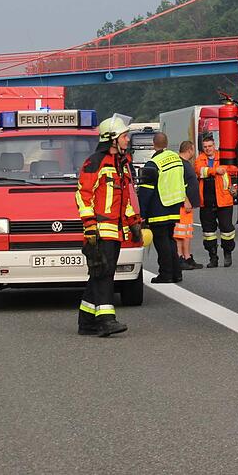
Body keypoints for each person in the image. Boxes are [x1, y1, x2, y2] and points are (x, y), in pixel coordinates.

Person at [75, 115, 139, 337]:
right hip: (101, 230)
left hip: (116, 230)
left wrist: (133, 222)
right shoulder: (95, 162)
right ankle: (106, 321)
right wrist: (90, 226)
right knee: (104, 274)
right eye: (124, 136)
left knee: (99, 274)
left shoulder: (121, 163)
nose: (127, 139)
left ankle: (86, 322)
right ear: (112, 139)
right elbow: (83, 195)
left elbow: (125, 199)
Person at [139, 133, 197, 284]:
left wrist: (142, 213)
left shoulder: (153, 164)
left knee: (161, 243)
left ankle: (165, 274)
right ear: (167, 143)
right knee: (171, 241)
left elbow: (146, 191)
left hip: (159, 208)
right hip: (174, 207)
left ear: (153, 144)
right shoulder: (176, 159)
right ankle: (177, 273)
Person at [195, 135, 236, 268]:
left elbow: (233, 171)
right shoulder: (200, 159)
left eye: (210, 146)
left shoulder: (223, 157)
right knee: (208, 232)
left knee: (227, 229)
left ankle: (227, 253)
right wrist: (215, 170)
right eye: (205, 147)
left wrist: (234, 188)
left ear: (214, 146)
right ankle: (213, 257)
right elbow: (200, 171)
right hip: (207, 201)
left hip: (224, 200)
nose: (208, 149)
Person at [175, 141, 203, 271]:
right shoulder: (180, 164)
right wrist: (185, 200)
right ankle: (179, 257)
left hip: (188, 206)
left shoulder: (185, 163)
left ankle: (187, 257)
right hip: (183, 205)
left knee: (186, 233)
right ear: (190, 150)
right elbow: (179, 184)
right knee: (180, 233)